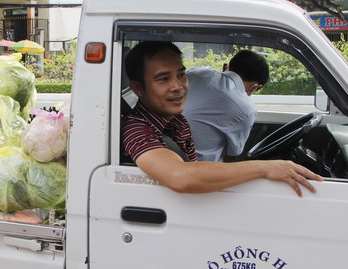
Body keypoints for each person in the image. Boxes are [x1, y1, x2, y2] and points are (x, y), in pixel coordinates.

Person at [121, 41, 321, 197]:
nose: (178, 86)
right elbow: (180, 176)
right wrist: (266, 168)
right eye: (163, 79)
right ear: (138, 88)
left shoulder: (173, 119)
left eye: (181, 75)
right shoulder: (137, 130)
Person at [183, 50, 269, 161]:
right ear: (255, 87)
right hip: (199, 169)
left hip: (166, 154)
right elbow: (233, 154)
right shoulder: (245, 108)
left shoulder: (195, 73)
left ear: (225, 67)